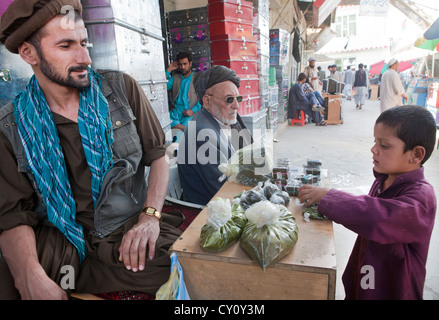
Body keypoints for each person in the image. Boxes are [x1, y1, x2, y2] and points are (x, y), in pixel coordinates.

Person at [0, 0, 183, 300]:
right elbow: (13, 216)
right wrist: (28, 274)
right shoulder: (11, 127)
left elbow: (158, 154)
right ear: (28, 53)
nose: (85, 56)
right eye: (66, 45)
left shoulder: (121, 90)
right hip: (62, 240)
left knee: (188, 272)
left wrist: (150, 217)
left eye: (84, 42)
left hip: (127, 231)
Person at [298, 105, 437, 299]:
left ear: (416, 154)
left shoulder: (422, 198)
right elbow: (364, 212)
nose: (373, 149)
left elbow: (377, 217)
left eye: (384, 145)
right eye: (375, 142)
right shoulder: (383, 179)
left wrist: (329, 197)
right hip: (365, 278)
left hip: (393, 291)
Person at [177, 65, 253, 206]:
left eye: (238, 98)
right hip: (208, 212)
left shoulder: (224, 121)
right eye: (229, 99)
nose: (236, 106)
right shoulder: (203, 134)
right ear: (207, 101)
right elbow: (224, 189)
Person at [166, 51, 202, 138]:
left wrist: (192, 110)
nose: (182, 67)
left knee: (178, 137)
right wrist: (169, 70)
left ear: (190, 63)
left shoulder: (197, 79)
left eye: (185, 64)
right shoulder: (175, 78)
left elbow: (203, 99)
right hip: (175, 114)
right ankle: (187, 130)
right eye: (180, 64)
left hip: (190, 115)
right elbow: (162, 87)